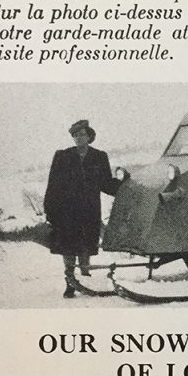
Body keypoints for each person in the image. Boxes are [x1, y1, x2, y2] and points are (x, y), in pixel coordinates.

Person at [44, 120, 126, 298]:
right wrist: (50, 208)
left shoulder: (99, 156)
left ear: (89, 136)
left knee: (85, 247)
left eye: (82, 134)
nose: (78, 137)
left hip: (89, 210)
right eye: (75, 135)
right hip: (67, 210)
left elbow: (105, 183)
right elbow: (53, 184)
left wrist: (123, 185)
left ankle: (86, 279)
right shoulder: (62, 156)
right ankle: (70, 282)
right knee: (68, 247)